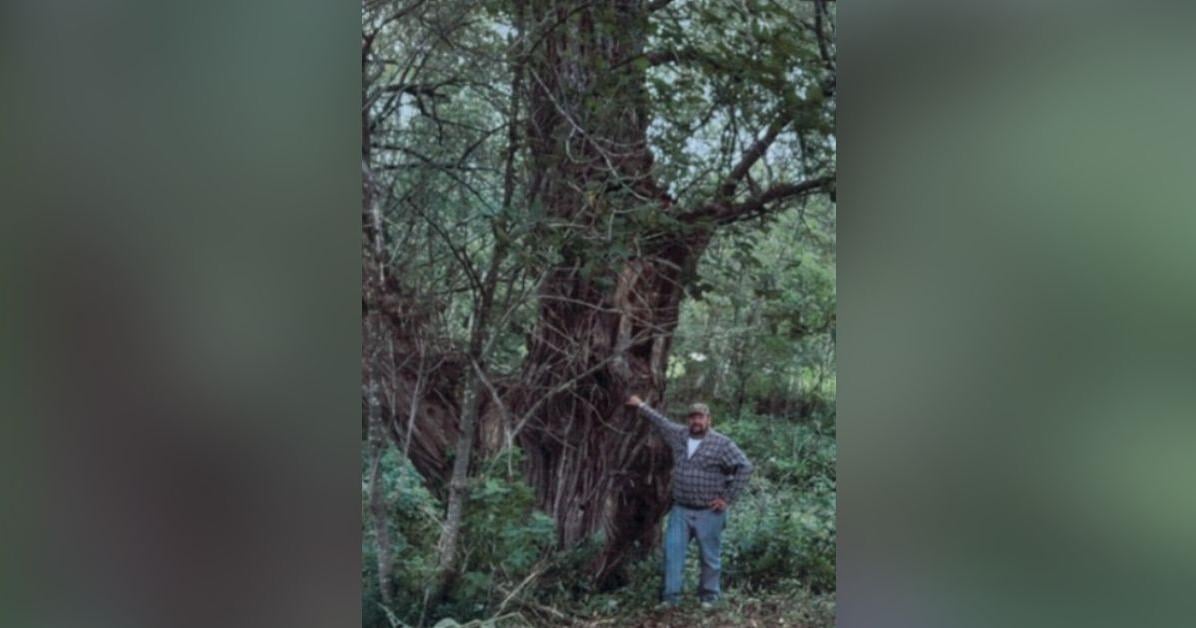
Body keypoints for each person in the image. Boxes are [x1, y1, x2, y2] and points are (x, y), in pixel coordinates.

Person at [626, 394, 754, 609]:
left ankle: (709, 598)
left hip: (709, 512)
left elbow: (745, 467)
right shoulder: (679, 436)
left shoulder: (721, 443)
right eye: (693, 417)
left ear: (708, 420)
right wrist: (640, 405)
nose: (696, 421)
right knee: (672, 553)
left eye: (700, 417)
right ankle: (670, 598)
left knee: (710, 558)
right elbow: (661, 421)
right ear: (688, 420)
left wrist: (727, 498)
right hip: (681, 510)